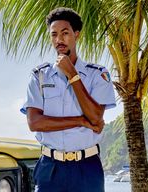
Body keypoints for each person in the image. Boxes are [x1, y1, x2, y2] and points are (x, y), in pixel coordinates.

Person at [21, 7, 116, 192]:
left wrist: (73, 75)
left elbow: (95, 118)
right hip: (50, 167)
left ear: (76, 35)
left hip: (87, 168)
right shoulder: (39, 76)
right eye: (54, 34)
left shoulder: (97, 74)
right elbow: (35, 123)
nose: (59, 40)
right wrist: (80, 120)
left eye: (65, 33)